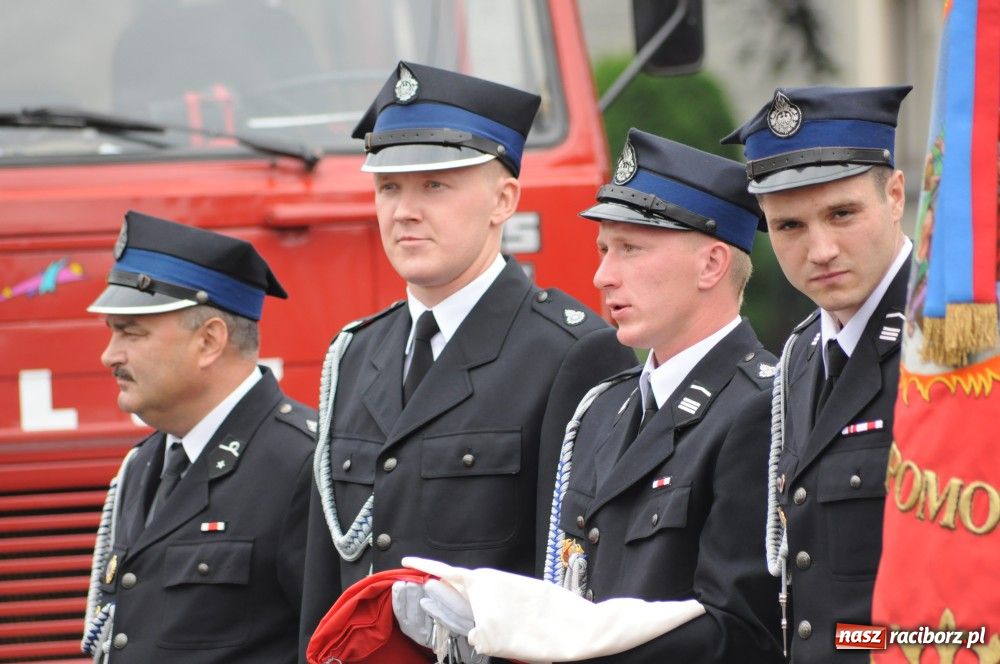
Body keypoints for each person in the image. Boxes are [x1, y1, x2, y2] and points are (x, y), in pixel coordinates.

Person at [392, 129, 785, 664]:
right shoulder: (603, 408)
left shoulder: (760, 408)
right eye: (603, 249)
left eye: (630, 249)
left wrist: (562, 637)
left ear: (711, 265)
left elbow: (740, 633)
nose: (603, 276)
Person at [300, 61, 635, 653]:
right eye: (388, 188)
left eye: (435, 185)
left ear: (503, 200)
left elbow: (568, 586)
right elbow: (324, 583)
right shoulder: (354, 354)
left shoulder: (571, 354)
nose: (404, 210)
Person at [723, 85, 912, 661]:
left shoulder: (956, 342)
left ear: (896, 195)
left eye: (842, 213)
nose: (821, 248)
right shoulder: (802, 354)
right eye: (789, 226)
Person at [81, 211, 316, 663]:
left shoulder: (302, 464)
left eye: (131, 332)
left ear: (209, 341)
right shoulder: (145, 463)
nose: (110, 355)